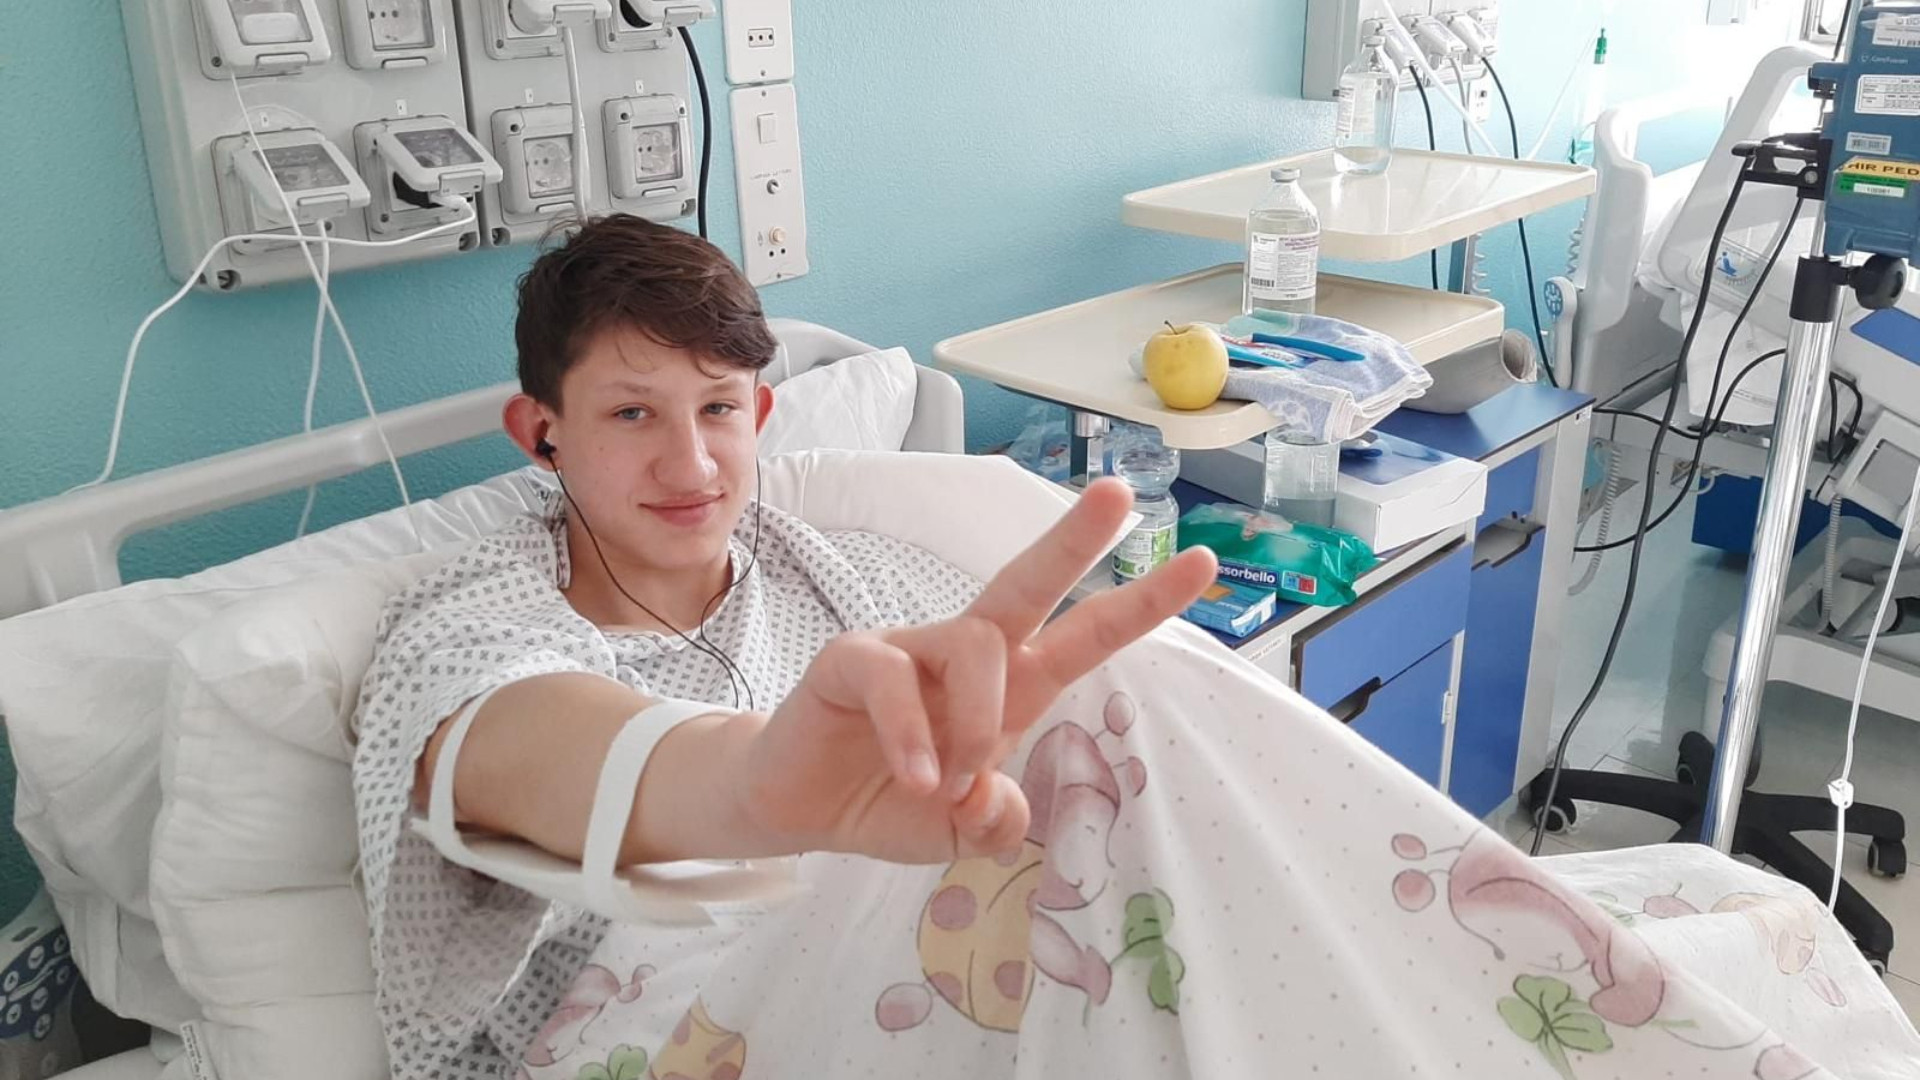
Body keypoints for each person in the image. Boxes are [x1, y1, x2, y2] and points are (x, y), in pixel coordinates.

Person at [353, 215, 1913, 1080]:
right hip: (656, 1024)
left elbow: (1018, 704)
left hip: (925, 961)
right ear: (539, 433)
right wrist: (760, 789)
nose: (690, 461)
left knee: (1133, 697)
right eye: (631, 413)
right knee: (1121, 723)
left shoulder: (839, 568)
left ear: (764, 414)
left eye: (716, 411)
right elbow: (543, 754)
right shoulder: (474, 624)